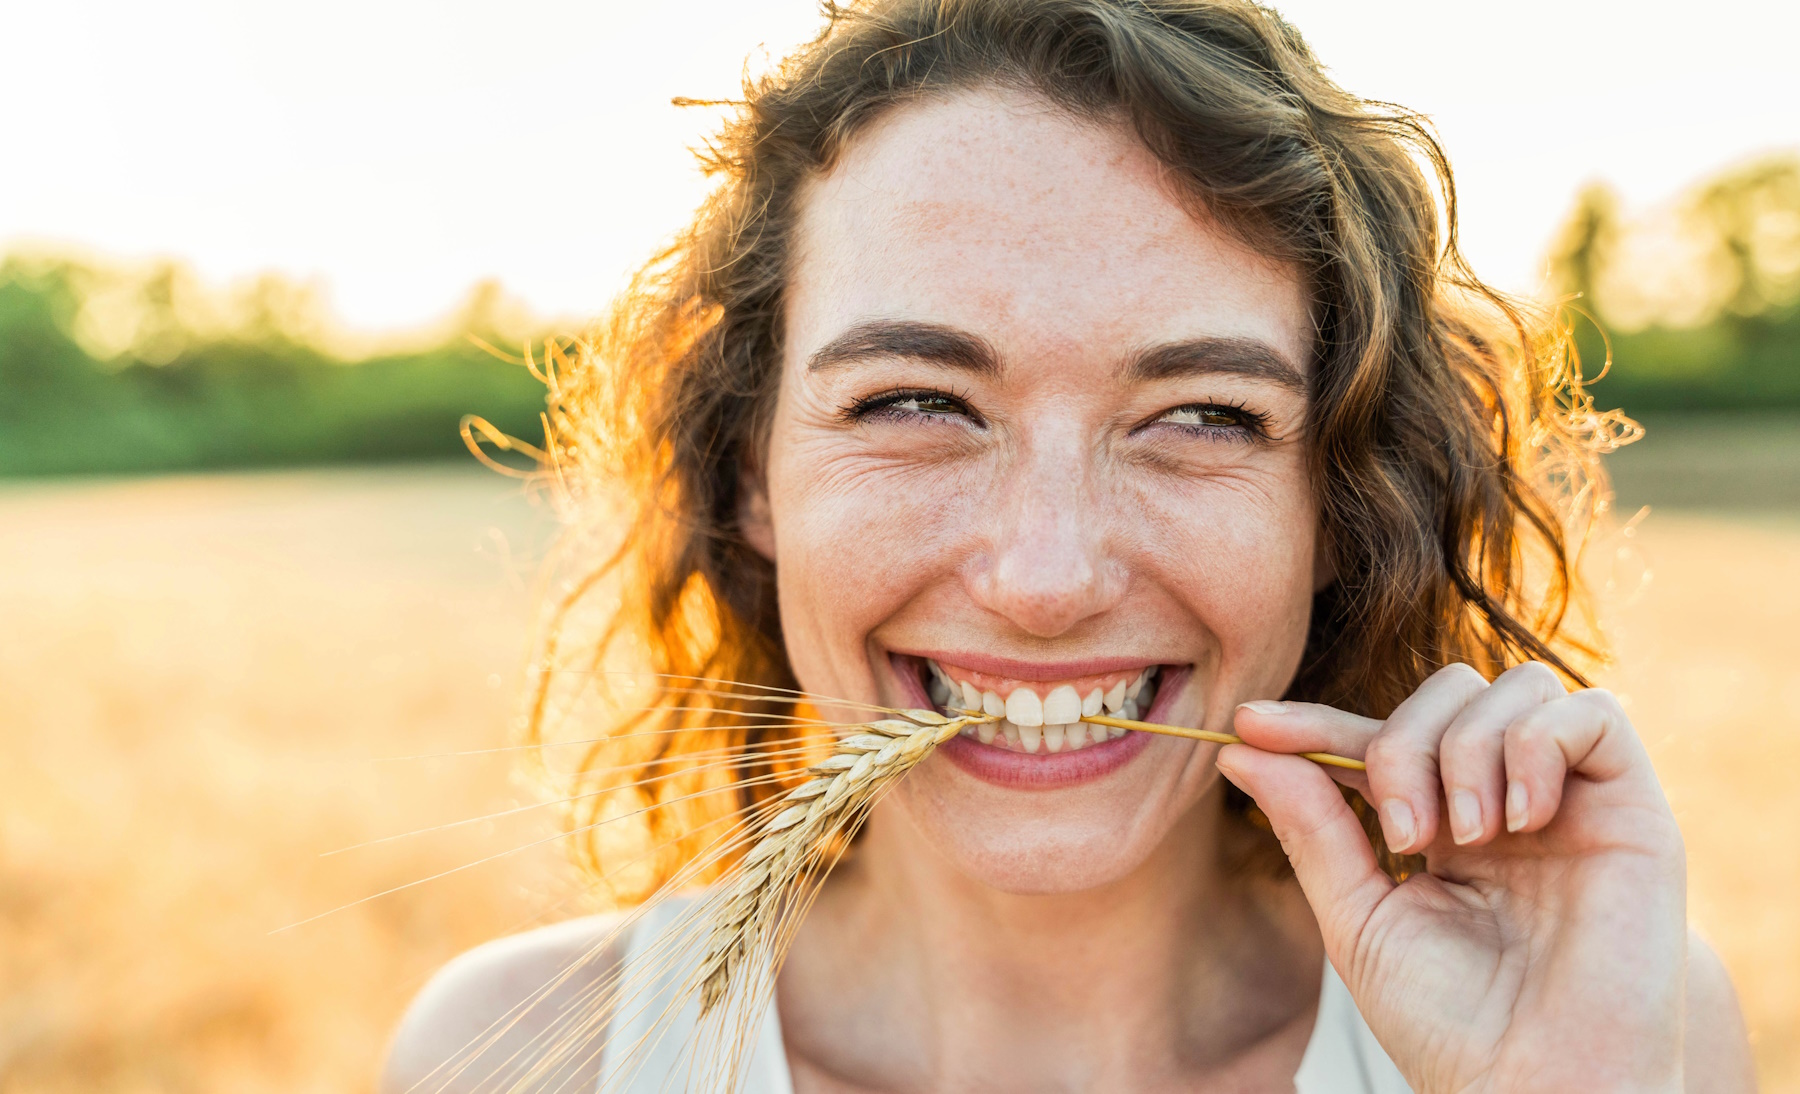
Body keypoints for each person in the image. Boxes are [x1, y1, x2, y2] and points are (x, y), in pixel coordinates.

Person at [382, 1, 1756, 1089]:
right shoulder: (517, 1062)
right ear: (753, 477)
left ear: (1340, 504)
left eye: (1203, 416)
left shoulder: (1613, 1027)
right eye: (916, 403)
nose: (1046, 582)